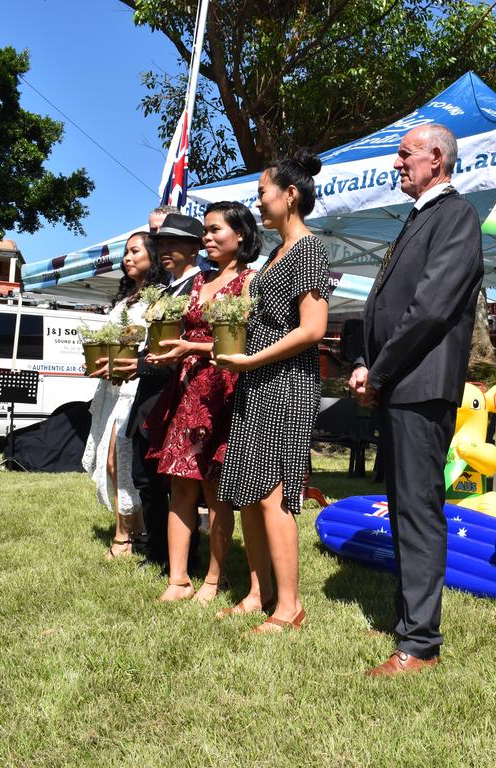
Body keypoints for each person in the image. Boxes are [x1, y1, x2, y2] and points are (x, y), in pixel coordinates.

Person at [348, 123, 483, 677]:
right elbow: (380, 305)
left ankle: (420, 644)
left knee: (418, 512)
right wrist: (363, 363)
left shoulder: (456, 216)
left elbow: (428, 310)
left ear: (437, 158)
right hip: (397, 384)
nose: (396, 164)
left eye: (404, 155)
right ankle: (412, 625)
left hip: (420, 387)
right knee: (406, 506)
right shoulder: (419, 216)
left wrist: (378, 372)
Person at [215, 149, 331, 633]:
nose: (257, 202)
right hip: (257, 381)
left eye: (262, 193)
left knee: (274, 495)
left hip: (286, 383)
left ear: (290, 195)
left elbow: (313, 329)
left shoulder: (308, 250)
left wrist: (250, 359)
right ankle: (258, 593)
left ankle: (290, 607)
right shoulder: (275, 253)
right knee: (247, 490)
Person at [145, 202, 260, 603]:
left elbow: (245, 343)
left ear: (241, 234)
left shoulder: (250, 281)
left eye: (215, 231)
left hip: (223, 393)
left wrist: (190, 346)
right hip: (188, 387)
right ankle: (178, 579)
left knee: (215, 494)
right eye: (206, 233)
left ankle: (214, 578)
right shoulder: (197, 282)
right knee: (180, 486)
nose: (207, 238)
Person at [126, 211, 205, 568]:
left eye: (174, 243)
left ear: (194, 248)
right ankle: (158, 551)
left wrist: (138, 365)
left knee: (178, 486)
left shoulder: (202, 287)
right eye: (161, 243)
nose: (165, 250)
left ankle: (184, 559)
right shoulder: (162, 292)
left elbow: (184, 350)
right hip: (149, 397)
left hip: (177, 398)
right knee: (146, 479)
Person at [82, 231, 168, 558]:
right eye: (126, 253)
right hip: (112, 387)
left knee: (120, 461)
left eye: (135, 251)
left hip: (137, 386)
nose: (127, 258)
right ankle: (136, 531)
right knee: (111, 460)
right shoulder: (124, 298)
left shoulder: (161, 296)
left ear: (153, 256)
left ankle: (126, 536)